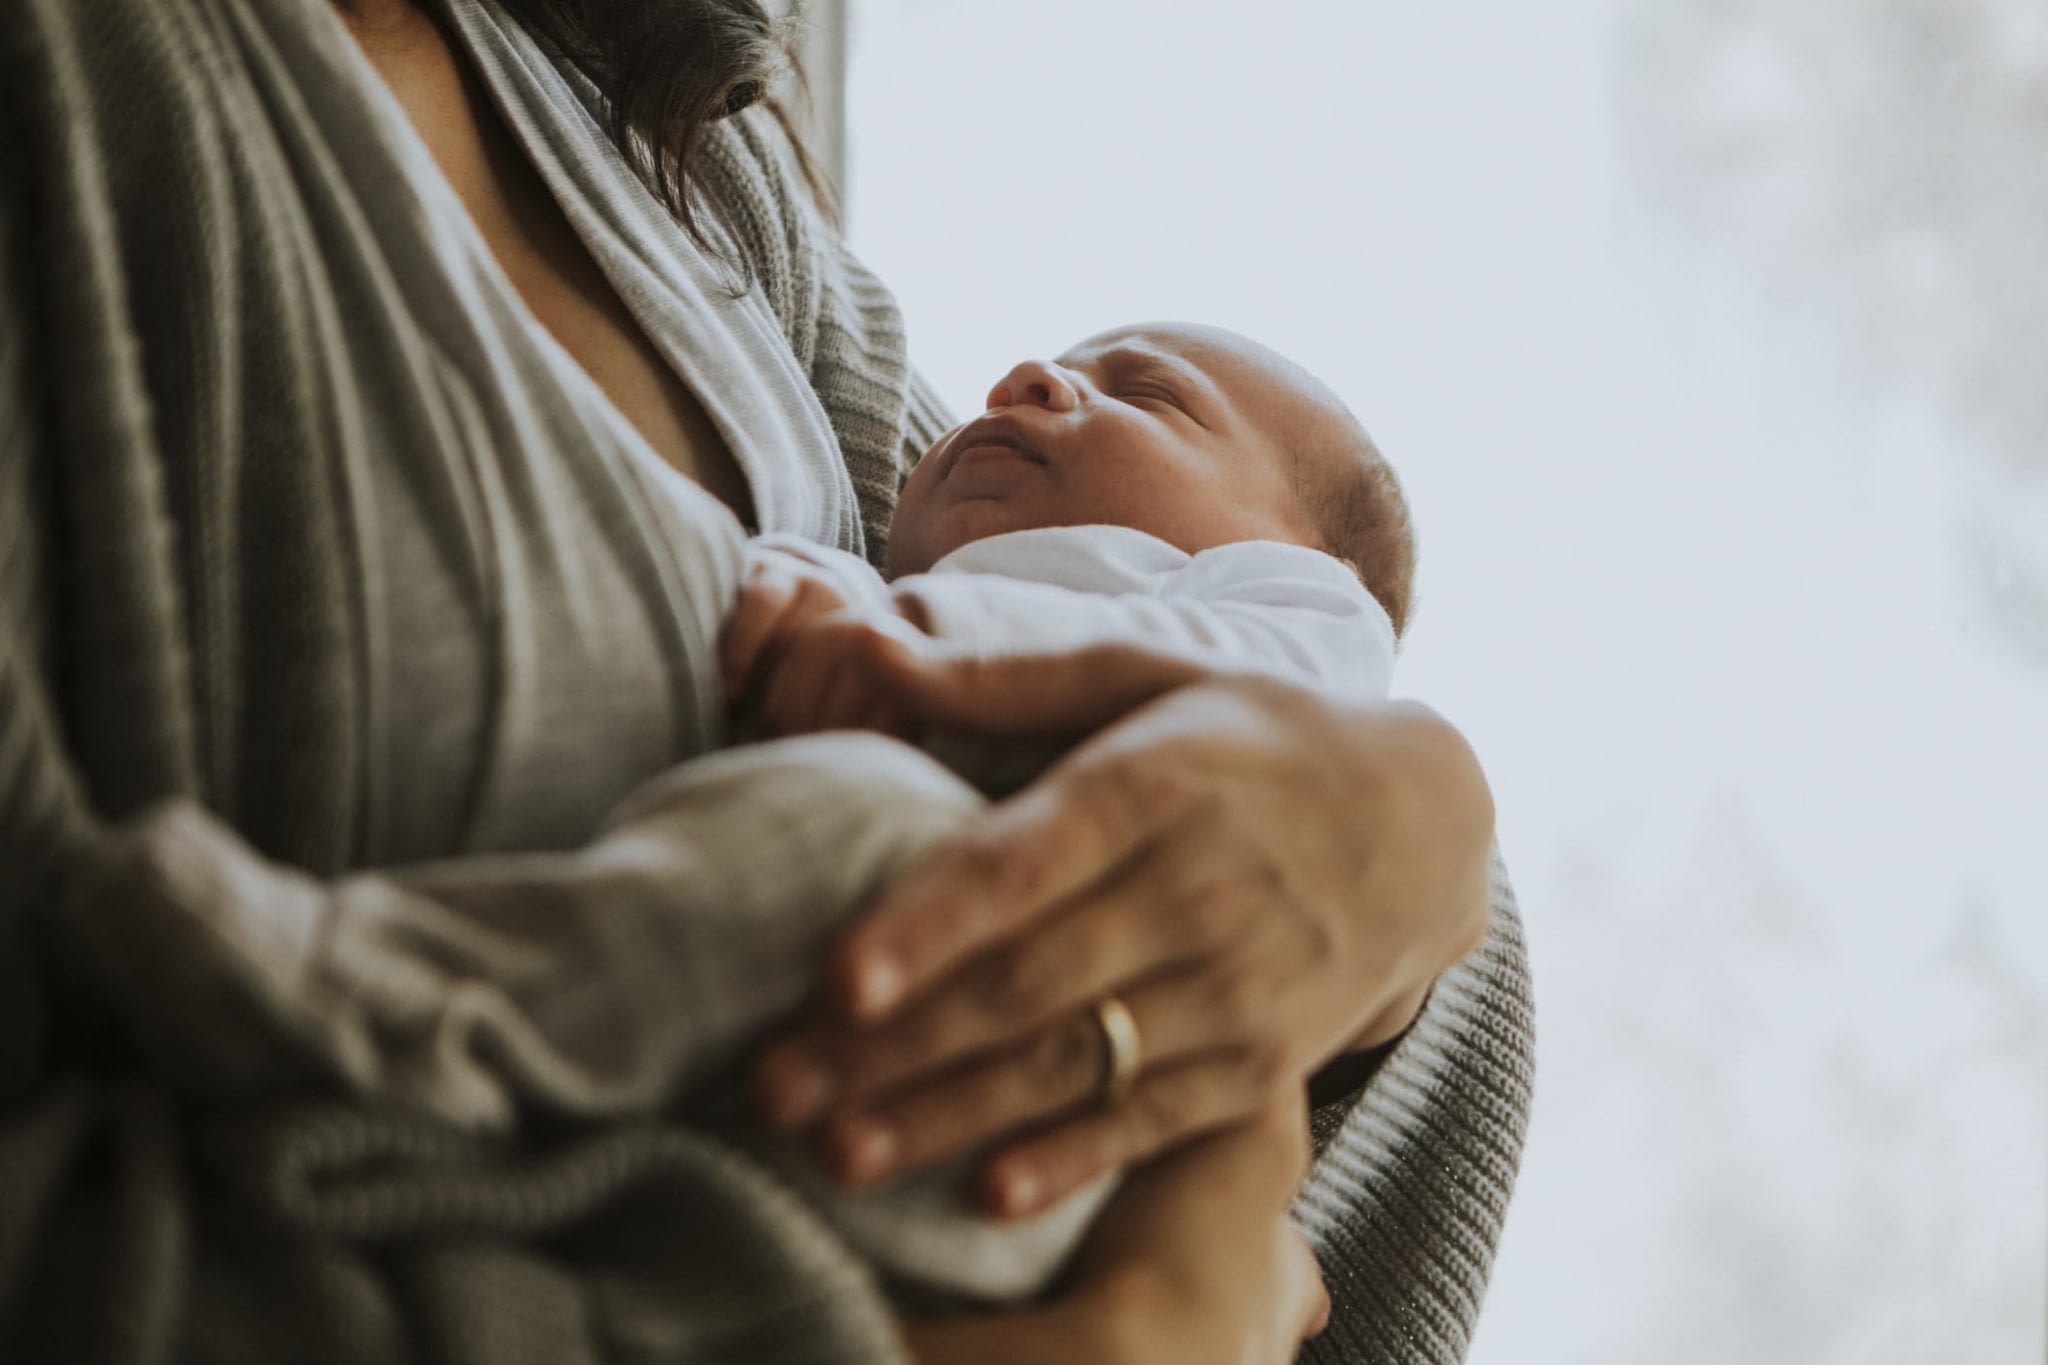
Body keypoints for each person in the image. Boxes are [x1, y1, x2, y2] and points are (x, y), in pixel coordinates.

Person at [0, 2, 1534, 1364]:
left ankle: (402, 995)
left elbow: (1461, 953)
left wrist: (1417, 824)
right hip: (876, 1116)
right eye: (1061, 363)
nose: (1030, 383)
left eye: (1147, 390)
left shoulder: (668, 146)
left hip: (988, 1071)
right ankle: (408, 1005)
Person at [724, 321, 1414, 752]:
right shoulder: (894, 594)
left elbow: (1315, 699)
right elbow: (868, 603)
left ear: (1306, 560)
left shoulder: (1307, 612)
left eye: (1148, 393)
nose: (1023, 379)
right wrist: (808, 588)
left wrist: (918, 628)